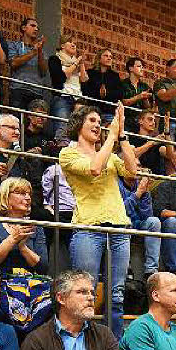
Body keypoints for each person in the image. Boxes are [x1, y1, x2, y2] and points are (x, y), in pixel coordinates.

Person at [59, 104, 138, 338]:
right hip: (87, 228)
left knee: (117, 295)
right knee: (84, 293)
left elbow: (133, 172)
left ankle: (112, 349)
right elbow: (94, 168)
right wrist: (111, 136)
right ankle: (84, 344)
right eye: (91, 120)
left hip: (119, 227)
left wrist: (121, 135)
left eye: (99, 122)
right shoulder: (68, 153)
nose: (97, 125)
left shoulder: (110, 155)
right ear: (78, 125)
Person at [0, 178, 52, 333]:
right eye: (20, 193)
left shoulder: (35, 227)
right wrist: (12, 240)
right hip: (1, 282)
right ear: (5, 197)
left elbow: (43, 267)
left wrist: (23, 247)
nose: (28, 198)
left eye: (29, 194)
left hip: (31, 285)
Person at [47, 35, 88, 134]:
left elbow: (84, 80)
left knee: (80, 128)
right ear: (62, 46)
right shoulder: (55, 59)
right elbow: (62, 77)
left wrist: (81, 64)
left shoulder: (76, 62)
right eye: (70, 42)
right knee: (62, 126)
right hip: (62, 97)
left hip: (78, 99)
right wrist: (77, 62)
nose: (73, 44)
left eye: (75, 43)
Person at [7, 17, 49, 111]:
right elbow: (13, 63)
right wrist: (33, 52)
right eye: (33, 26)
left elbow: (43, 71)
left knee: (35, 122)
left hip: (37, 91)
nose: (36, 29)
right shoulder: (14, 45)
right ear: (24, 28)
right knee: (17, 121)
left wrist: (39, 51)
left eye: (37, 27)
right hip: (18, 89)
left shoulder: (41, 51)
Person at [81, 48, 123, 119]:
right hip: (92, 110)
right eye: (106, 56)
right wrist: (98, 93)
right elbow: (85, 90)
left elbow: (120, 94)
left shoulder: (115, 76)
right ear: (99, 58)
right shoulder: (91, 73)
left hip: (108, 111)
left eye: (111, 57)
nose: (109, 58)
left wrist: (107, 93)